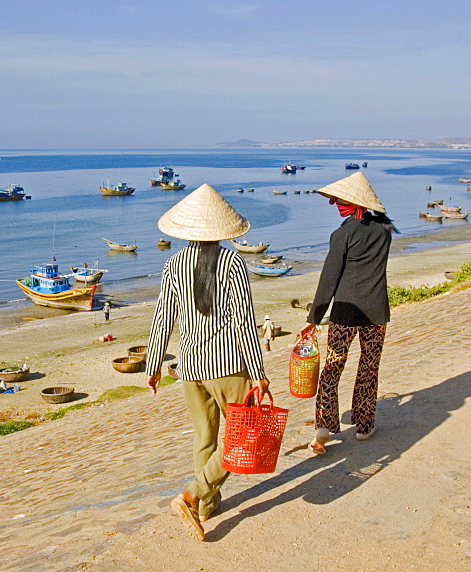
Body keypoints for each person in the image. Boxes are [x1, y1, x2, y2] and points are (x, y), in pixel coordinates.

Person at [146, 183, 269, 541]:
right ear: (222, 229)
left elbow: (162, 318)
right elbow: (244, 320)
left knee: (205, 438)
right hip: (229, 363)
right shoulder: (233, 262)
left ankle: (206, 506)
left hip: (189, 366)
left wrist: (153, 366)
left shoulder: (174, 263)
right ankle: (194, 494)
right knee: (243, 434)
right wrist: (258, 373)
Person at [299, 171, 392, 455]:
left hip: (344, 312)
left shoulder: (342, 234)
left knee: (332, 367)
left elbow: (329, 279)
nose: (335, 204)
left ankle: (323, 429)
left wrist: (313, 319)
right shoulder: (385, 230)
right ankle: (364, 426)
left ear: (351, 202)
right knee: (368, 369)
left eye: (339, 200)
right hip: (376, 311)